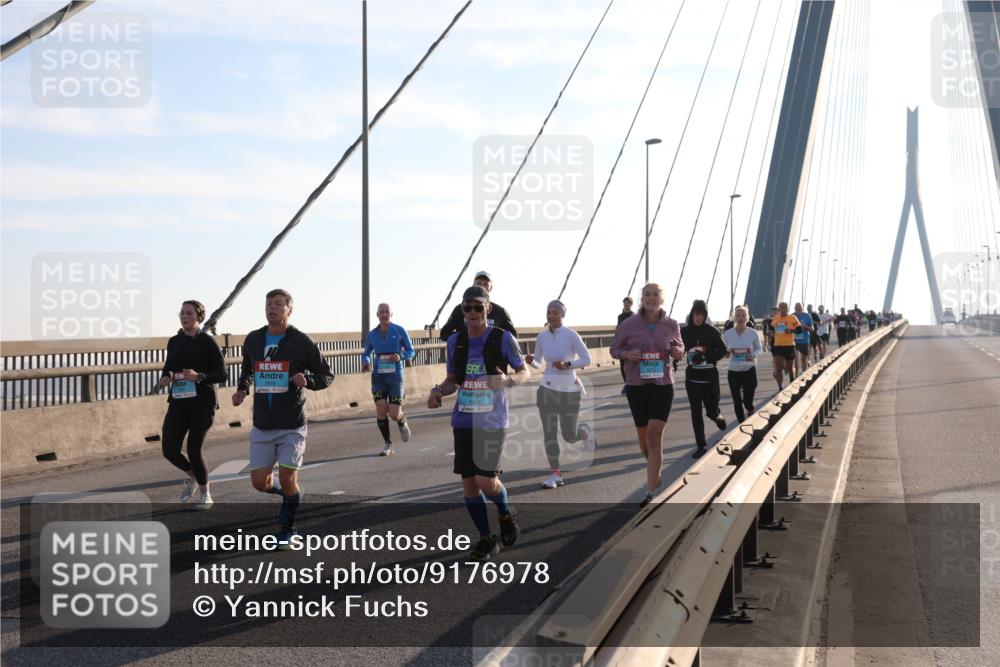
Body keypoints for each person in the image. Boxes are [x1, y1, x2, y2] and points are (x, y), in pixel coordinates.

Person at [427, 285, 529, 562]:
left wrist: (507, 380)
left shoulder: (502, 338)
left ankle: (506, 512)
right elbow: (452, 380)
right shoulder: (455, 341)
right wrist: (438, 391)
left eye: (477, 307)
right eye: (466, 308)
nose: (471, 313)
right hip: (463, 418)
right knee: (470, 486)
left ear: (488, 309)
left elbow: (524, 372)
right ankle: (486, 538)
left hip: (493, 420)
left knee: (486, 481)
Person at [233, 289, 334, 548]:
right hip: (263, 423)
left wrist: (308, 380)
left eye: (279, 304)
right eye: (269, 304)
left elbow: (326, 375)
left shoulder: (301, 341)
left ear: (289, 309)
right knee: (259, 483)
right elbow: (248, 369)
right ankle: (290, 494)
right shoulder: (254, 339)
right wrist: (243, 389)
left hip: (291, 423)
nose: (272, 308)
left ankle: (289, 528)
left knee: (289, 477)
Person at [610, 283, 684, 506]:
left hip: (662, 385)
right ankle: (656, 472)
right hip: (637, 386)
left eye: (655, 295)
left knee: (654, 436)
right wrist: (626, 354)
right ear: (641, 299)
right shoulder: (628, 324)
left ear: (662, 299)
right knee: (644, 441)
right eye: (647, 295)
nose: (651, 298)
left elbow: (680, 348)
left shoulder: (671, 324)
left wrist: (678, 352)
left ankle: (650, 492)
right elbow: (614, 349)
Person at [158, 300, 227, 510]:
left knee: (193, 448)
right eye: (181, 313)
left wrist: (200, 376)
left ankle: (206, 493)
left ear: (199, 316)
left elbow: (222, 374)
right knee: (169, 449)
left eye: (188, 313)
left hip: (202, 403)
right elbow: (169, 368)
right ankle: (193, 476)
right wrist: (165, 378)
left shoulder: (208, 342)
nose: (184, 316)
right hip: (179, 402)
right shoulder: (174, 342)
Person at [525, 300, 594, 489]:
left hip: (569, 390)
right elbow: (539, 363)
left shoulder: (571, 335)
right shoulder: (541, 337)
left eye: (555, 312)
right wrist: (531, 361)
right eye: (549, 311)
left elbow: (587, 358)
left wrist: (568, 365)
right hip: (547, 389)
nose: (551, 315)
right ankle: (555, 474)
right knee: (549, 433)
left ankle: (584, 433)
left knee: (569, 435)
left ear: (562, 315)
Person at [361, 303, 416, 457]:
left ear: (392, 315)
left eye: (387, 312)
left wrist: (401, 356)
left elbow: (411, 351)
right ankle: (388, 443)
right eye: (381, 312)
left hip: (395, 376)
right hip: (378, 376)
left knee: (393, 413)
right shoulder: (372, 334)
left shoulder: (399, 330)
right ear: (377, 315)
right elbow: (366, 352)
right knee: (380, 409)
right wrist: (365, 361)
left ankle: (401, 419)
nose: (384, 315)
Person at [680, 300, 729, 459]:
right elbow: (678, 349)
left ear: (705, 315)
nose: (699, 317)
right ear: (692, 314)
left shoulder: (711, 331)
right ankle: (701, 445)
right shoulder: (684, 332)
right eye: (696, 314)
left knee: (710, 411)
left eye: (702, 314)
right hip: (692, 378)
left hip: (709, 377)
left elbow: (723, 350)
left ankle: (717, 416)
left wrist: (706, 356)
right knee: (696, 412)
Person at [439, 271, 517, 340]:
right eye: (479, 283)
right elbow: (444, 334)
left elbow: (513, 336)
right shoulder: (459, 309)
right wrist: (464, 338)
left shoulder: (500, 312)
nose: (482, 286)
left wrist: (496, 341)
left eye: (486, 284)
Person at [723, 305, 762, 423]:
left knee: (747, 400)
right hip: (733, 371)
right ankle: (741, 423)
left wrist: (752, 355)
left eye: (743, 315)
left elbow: (758, 349)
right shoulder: (728, 334)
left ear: (747, 318)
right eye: (738, 315)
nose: (740, 318)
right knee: (736, 400)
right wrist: (726, 354)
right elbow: (724, 351)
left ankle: (750, 409)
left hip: (749, 369)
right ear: (734, 318)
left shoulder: (753, 333)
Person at [771, 302, 800, 390]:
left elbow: (800, 330)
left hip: (789, 345)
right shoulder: (775, 318)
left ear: (788, 309)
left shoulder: (792, 318)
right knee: (778, 366)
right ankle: (780, 387)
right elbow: (771, 329)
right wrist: (770, 333)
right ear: (779, 309)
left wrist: (791, 331)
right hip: (778, 345)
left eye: (785, 307)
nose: (783, 309)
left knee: (790, 368)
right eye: (781, 308)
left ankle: (791, 375)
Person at [616, 297, 634, 389]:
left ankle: (631, 382)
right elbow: (618, 329)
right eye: (625, 303)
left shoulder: (634, 316)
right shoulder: (620, 317)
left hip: (631, 343)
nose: (626, 305)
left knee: (631, 364)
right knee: (622, 364)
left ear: (631, 304)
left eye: (628, 303)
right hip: (622, 343)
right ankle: (626, 383)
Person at [792, 302, 814, 377]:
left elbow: (812, 329)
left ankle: (805, 376)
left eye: (799, 307)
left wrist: (805, 326)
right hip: (794, 341)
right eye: (796, 307)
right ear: (794, 308)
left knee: (803, 359)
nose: (798, 308)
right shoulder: (791, 316)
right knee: (795, 360)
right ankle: (796, 377)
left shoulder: (807, 316)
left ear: (802, 308)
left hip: (804, 340)